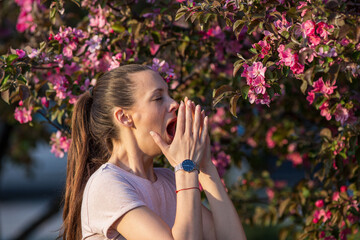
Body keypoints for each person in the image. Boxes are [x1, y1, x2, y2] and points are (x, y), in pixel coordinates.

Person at [61, 64, 247, 240]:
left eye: (169, 95)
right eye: (158, 98)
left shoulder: (169, 180)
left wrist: (206, 168)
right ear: (124, 117)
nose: (174, 104)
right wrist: (186, 167)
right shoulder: (107, 185)